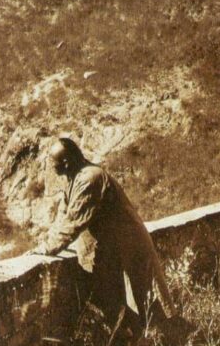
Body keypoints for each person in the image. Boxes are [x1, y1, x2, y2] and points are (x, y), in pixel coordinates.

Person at [37, 137, 173, 333]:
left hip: (128, 246)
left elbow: (73, 222)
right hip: (115, 249)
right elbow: (63, 218)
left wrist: (47, 248)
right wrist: (46, 243)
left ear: (65, 162)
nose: (50, 165)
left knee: (143, 305)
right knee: (124, 310)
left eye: (52, 161)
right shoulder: (73, 179)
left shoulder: (89, 179)